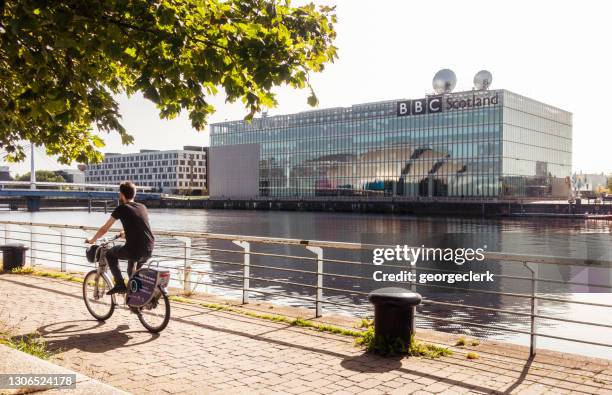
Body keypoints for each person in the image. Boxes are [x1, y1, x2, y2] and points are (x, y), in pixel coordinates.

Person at [86, 181, 155, 295]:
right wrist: (126, 233)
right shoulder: (142, 207)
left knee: (109, 254)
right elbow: (140, 227)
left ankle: (120, 284)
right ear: (134, 194)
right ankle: (136, 300)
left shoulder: (121, 208)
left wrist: (92, 240)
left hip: (135, 250)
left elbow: (104, 229)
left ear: (122, 195)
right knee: (131, 271)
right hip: (149, 248)